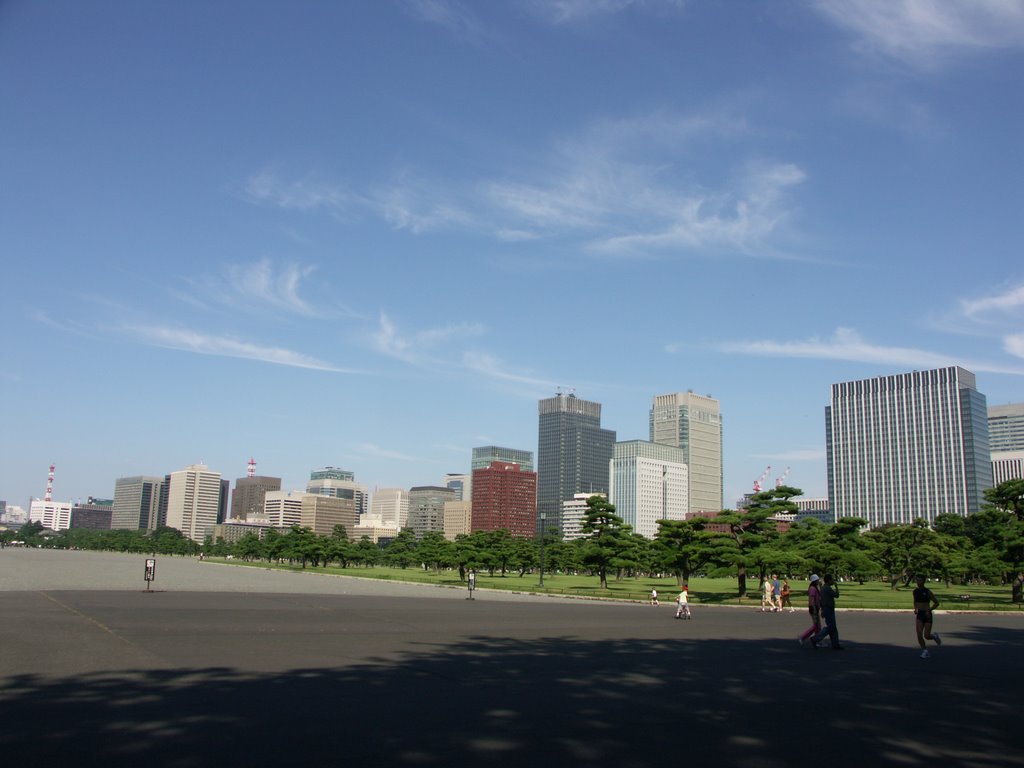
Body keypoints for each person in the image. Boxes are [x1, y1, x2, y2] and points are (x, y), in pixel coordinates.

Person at [811, 574, 843, 650]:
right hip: (829, 609)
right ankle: (816, 639)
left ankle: (835, 644)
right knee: (830, 627)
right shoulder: (827, 588)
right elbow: (837, 595)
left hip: (826, 608)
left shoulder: (823, 588)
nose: (833, 581)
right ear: (828, 580)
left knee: (833, 628)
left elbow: (821, 600)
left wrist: (822, 610)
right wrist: (836, 586)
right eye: (832, 579)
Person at [913, 575, 942, 659]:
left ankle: (934, 636)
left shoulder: (928, 592)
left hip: (927, 614)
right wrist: (915, 609)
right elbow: (915, 601)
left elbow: (936, 603)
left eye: (920, 580)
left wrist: (929, 610)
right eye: (917, 580)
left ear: (923, 581)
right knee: (919, 633)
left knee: (927, 636)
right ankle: (925, 651)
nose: (918, 582)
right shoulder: (915, 591)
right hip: (920, 614)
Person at [798, 574, 821, 646]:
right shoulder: (812, 588)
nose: (818, 581)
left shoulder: (815, 587)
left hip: (816, 608)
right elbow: (811, 599)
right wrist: (813, 608)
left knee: (818, 626)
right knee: (816, 626)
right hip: (813, 608)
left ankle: (817, 640)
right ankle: (803, 637)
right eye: (817, 580)